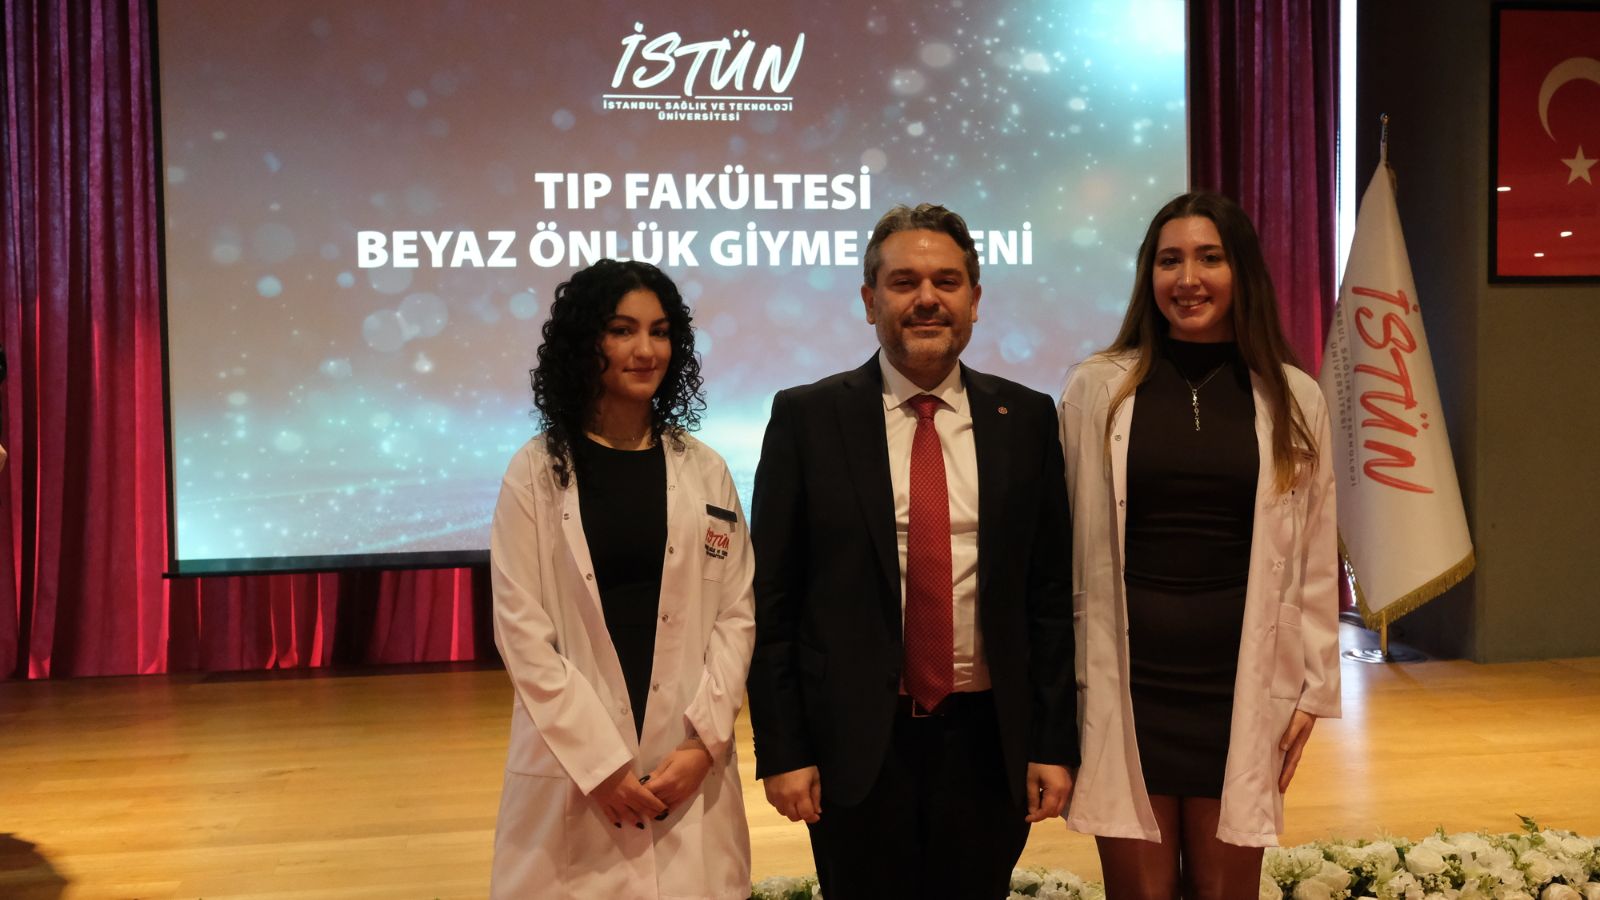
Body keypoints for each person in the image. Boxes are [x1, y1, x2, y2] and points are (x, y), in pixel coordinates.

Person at [746, 203, 1078, 899]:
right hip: (854, 746)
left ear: (975, 300)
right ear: (870, 301)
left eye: (946, 282)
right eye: (904, 282)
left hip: (989, 744)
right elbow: (772, 601)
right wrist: (784, 749)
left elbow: (1048, 597)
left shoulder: (1026, 418)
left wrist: (1052, 742)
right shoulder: (807, 417)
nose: (927, 298)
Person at [1058, 192, 1340, 899]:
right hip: (1128, 682)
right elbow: (1062, 537)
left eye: (1209, 258)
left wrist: (1314, 690)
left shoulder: (1294, 396)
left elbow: (1313, 552)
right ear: (1148, 275)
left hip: (1239, 682)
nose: (1188, 279)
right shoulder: (1097, 386)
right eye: (1169, 261)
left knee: (1225, 891)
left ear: (1241, 271)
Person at [487, 259, 755, 899]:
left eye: (660, 332)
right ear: (587, 342)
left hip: (686, 762)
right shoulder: (535, 472)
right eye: (622, 330)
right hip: (574, 770)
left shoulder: (705, 469)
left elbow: (736, 616)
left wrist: (703, 744)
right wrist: (600, 766)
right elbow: (522, 633)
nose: (646, 350)